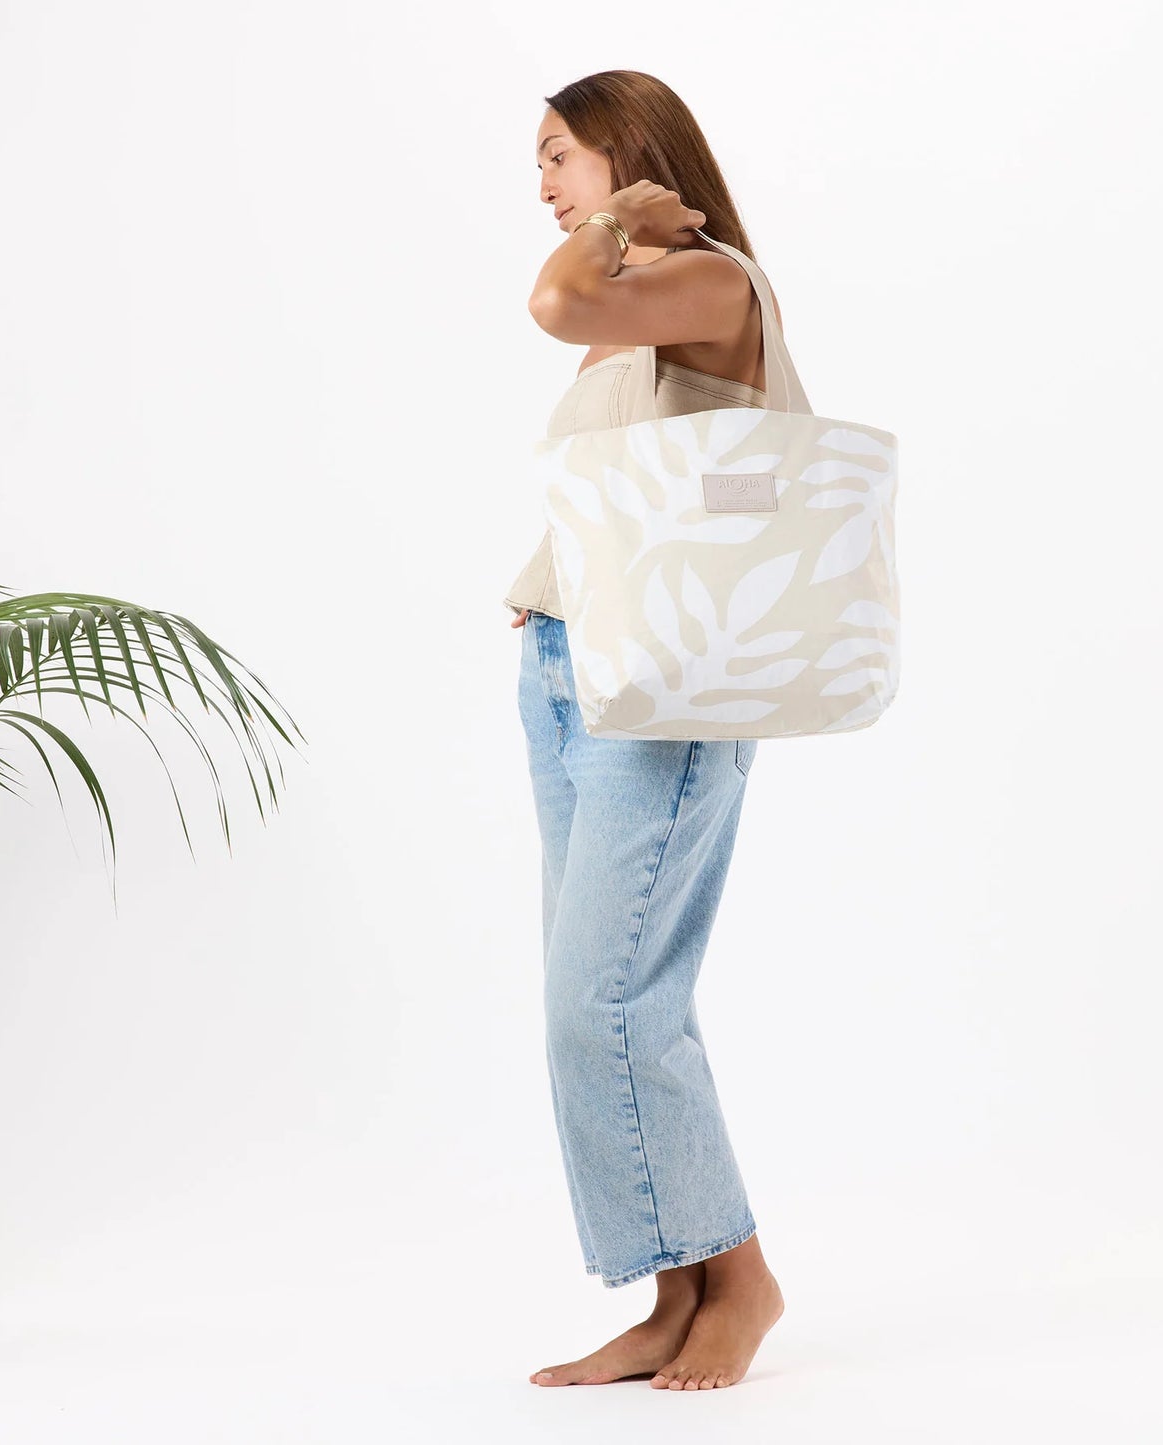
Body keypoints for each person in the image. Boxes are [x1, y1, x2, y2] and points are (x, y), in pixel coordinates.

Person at [509, 72, 786, 1391]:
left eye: (560, 155)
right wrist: (541, 592)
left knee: (607, 997)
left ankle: (736, 1279)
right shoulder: (633, 319)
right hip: (573, 670)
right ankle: (674, 1292)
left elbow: (551, 296)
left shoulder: (710, 285)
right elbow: (622, 483)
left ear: (628, 157)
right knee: (597, 998)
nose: (541, 181)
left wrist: (613, 221)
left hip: (661, 689)